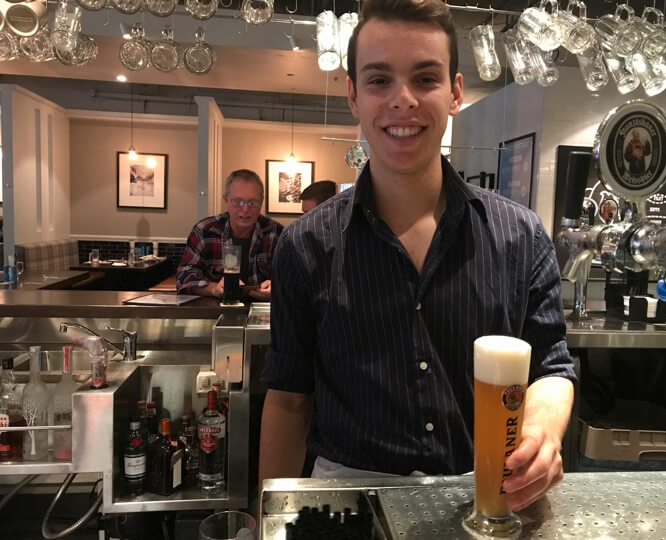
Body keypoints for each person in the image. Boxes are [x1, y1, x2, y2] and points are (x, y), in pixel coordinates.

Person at [259, 0, 575, 514]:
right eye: (379, 80)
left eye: (425, 79)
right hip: (345, 503)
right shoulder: (305, 245)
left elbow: (551, 367)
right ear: (353, 95)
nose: (402, 100)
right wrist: (269, 518)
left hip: (485, 496)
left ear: (454, 93)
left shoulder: (520, 235)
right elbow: (289, 400)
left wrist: (543, 427)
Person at [176, 169, 283, 301]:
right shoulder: (204, 231)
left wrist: (277, 288)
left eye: (252, 202)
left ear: (261, 202)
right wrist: (214, 288)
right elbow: (184, 278)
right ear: (226, 200)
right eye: (238, 202)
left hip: (262, 310)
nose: (245, 209)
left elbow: (292, 279)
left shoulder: (276, 233)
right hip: (216, 309)